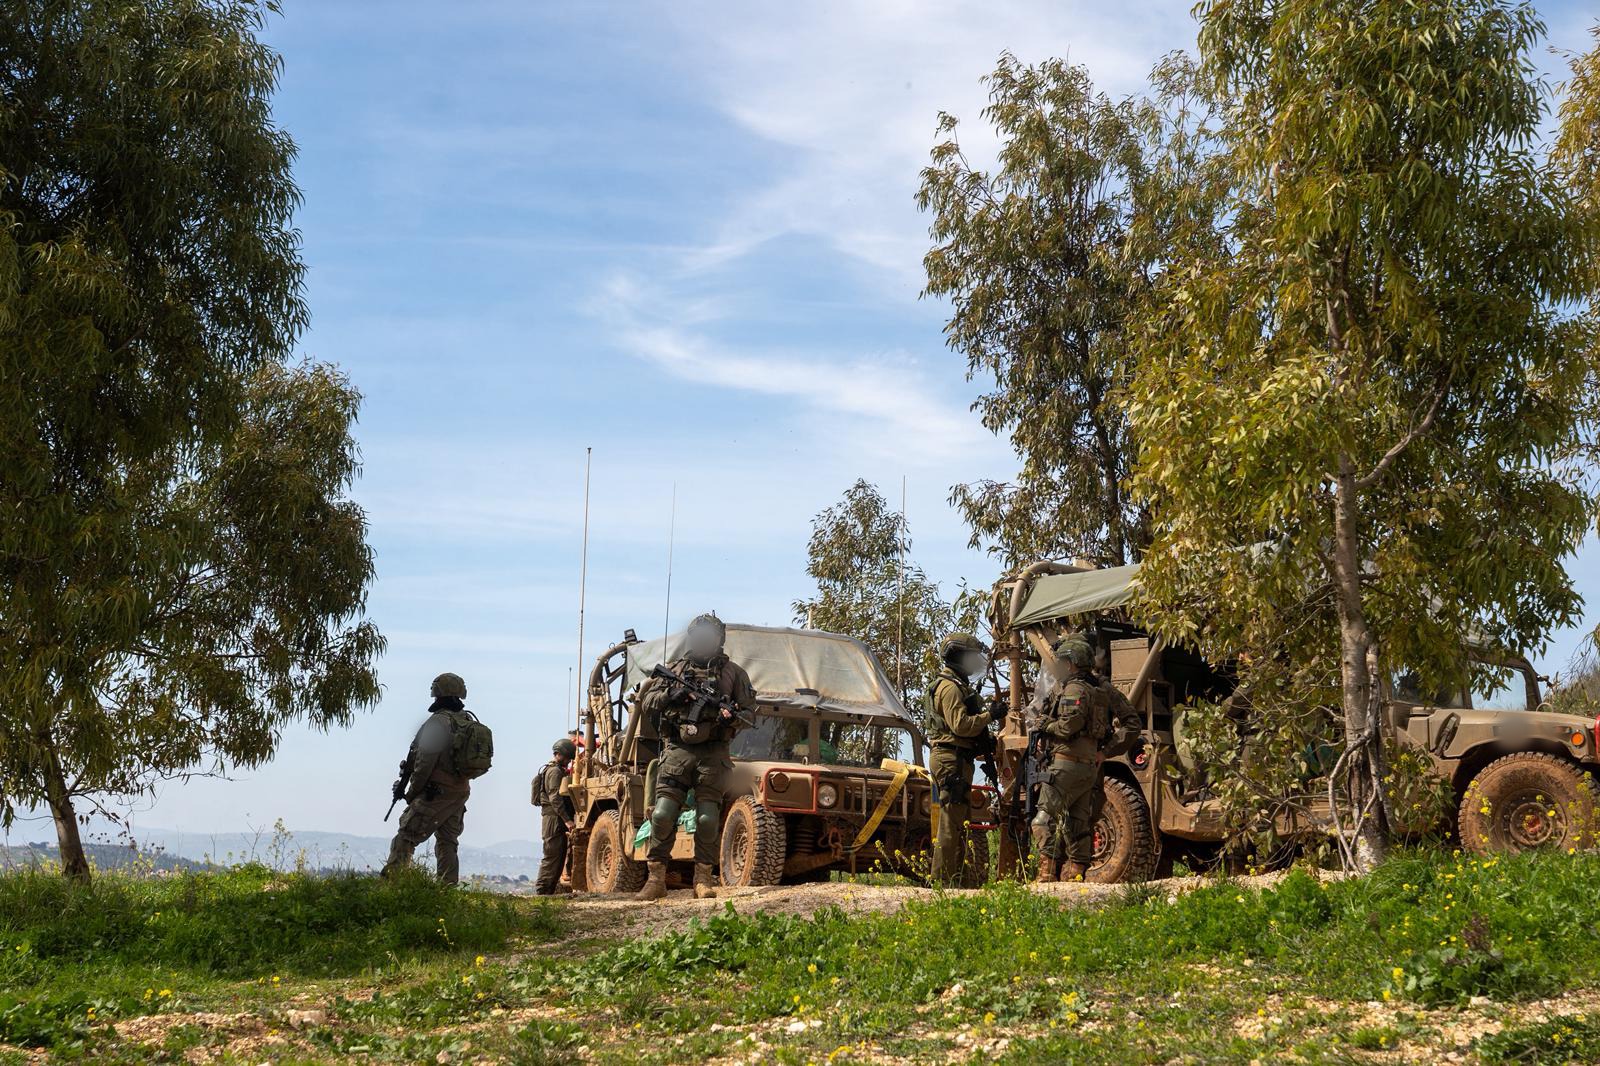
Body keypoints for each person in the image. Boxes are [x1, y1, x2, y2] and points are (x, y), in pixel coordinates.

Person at [634, 613, 756, 901]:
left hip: (713, 753)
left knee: (707, 819)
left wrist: (730, 719)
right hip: (678, 750)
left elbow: (749, 713)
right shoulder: (676, 669)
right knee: (663, 814)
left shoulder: (734, 674)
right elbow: (647, 701)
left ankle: (702, 879)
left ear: (719, 640)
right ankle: (656, 879)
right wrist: (671, 696)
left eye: (710, 637)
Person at [382, 672, 477, 886]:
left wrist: (410, 793)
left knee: (406, 836)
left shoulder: (438, 723)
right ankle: (447, 887)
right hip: (459, 791)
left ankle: (391, 885)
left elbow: (424, 763)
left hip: (437, 791)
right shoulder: (466, 720)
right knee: (448, 841)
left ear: (437, 694)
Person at [925, 632, 1005, 886]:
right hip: (950, 759)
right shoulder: (949, 688)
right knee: (950, 823)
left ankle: (957, 880)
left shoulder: (956, 685)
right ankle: (941, 882)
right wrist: (989, 716)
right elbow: (960, 725)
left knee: (959, 822)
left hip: (957, 758)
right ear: (959, 657)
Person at [1030, 636, 1111, 883]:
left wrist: (1046, 724)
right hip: (1087, 767)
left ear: (1073, 663)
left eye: (1065, 661)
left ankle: (1047, 873)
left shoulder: (1074, 689)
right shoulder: (1097, 690)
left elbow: (1068, 726)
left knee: (1042, 819)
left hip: (1066, 763)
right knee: (1077, 825)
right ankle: (1076, 876)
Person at [533, 738, 577, 895]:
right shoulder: (554, 772)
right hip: (553, 818)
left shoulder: (556, 770)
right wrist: (567, 820)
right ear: (559, 754)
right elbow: (555, 798)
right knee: (551, 854)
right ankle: (542, 890)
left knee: (559, 855)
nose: (568, 761)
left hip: (555, 817)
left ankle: (548, 891)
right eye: (567, 758)